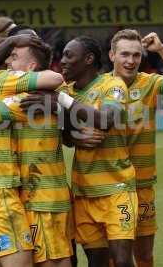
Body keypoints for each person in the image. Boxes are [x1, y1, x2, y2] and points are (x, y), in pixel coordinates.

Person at [21, 36, 136, 267]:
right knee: (96, 261)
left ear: (89, 59)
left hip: (116, 189)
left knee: (122, 261)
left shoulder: (112, 86)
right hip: (83, 193)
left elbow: (105, 120)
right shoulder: (67, 91)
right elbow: (64, 136)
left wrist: (60, 100)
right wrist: (76, 136)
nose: (62, 61)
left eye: (68, 55)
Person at [0, 40, 73, 267]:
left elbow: (72, 133)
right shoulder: (9, 87)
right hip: (11, 192)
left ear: (31, 67)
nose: (8, 62)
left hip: (40, 198)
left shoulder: (32, 95)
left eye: (14, 57)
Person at [106, 30, 163, 267]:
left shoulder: (150, 83)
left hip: (143, 186)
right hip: (110, 188)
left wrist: (162, 50)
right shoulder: (100, 87)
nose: (130, 60)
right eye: (124, 54)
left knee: (144, 256)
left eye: (136, 55)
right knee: (116, 258)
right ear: (112, 55)